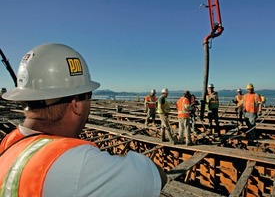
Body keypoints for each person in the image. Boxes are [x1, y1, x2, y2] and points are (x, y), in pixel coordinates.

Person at [0, 43, 167, 197]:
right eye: (89, 95)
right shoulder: (80, 165)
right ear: (76, 104)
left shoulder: (9, 143)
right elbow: (156, 177)